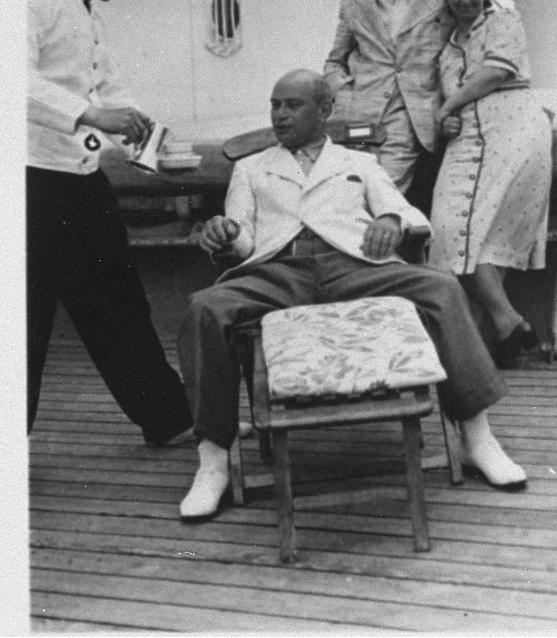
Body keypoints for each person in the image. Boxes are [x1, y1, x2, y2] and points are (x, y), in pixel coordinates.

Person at [177, 70, 527, 522]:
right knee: (204, 307)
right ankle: (213, 461)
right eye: (275, 104)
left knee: (441, 288)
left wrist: (392, 223)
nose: (280, 114)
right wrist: (226, 235)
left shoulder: (357, 163)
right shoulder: (252, 168)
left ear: (324, 110)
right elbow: (243, 237)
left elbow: (402, 210)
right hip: (280, 270)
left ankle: (478, 437)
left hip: (355, 265)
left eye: (292, 105)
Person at [27, 0, 193, 446]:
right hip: (32, 186)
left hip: (81, 182)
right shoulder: (33, 0)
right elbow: (8, 78)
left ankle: (169, 417)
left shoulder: (88, 14)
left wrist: (156, 147)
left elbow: (113, 95)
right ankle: (3, 451)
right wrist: (89, 115)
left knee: (120, 304)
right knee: (24, 321)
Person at [429, 0, 551, 366]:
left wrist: (448, 105)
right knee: (450, 234)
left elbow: (496, 73)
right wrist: (446, 123)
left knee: (492, 240)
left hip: (513, 128)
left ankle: (479, 348)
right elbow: (452, 104)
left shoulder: (504, 22)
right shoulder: (446, 51)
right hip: (466, 142)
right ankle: (509, 323)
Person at [323, 0, 448, 204]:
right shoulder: (355, 2)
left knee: (382, 194)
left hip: (411, 118)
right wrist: (343, 92)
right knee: (350, 190)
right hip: (359, 116)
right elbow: (334, 61)